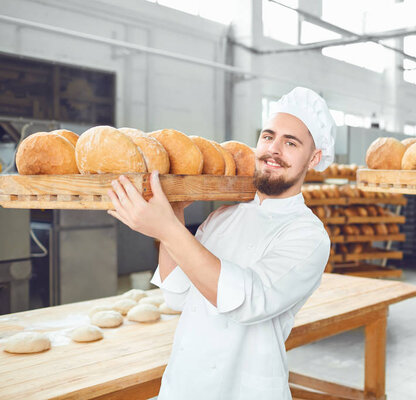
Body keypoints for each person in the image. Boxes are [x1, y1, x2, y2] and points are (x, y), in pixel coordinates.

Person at [106, 87, 336, 399]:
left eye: (290, 142)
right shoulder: (223, 217)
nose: (274, 149)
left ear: (314, 158)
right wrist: (172, 216)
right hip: (183, 385)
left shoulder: (308, 236)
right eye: (268, 137)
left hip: (243, 390)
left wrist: (169, 229)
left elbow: (247, 301)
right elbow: (177, 294)